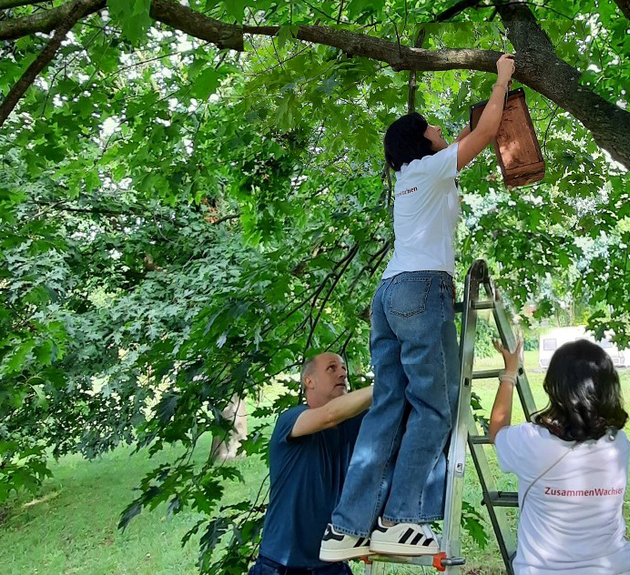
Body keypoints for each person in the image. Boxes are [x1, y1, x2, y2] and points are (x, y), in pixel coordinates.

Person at [319, 53, 517, 560]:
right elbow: (488, 129)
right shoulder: (428, 169)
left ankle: (348, 527)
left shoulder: (415, 181)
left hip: (390, 294)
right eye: (433, 126)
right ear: (420, 141)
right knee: (435, 406)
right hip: (422, 288)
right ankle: (400, 518)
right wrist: (502, 77)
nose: (442, 130)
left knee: (388, 406)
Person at [490, 337, 630, 575]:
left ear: (555, 388)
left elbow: (497, 432)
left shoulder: (532, 442)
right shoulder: (618, 444)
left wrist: (509, 373)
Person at [249, 353, 373, 575]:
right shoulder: (291, 419)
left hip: (331, 563)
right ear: (309, 381)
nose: (342, 373)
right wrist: (386, 385)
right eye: (332, 368)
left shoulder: (351, 423)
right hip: (281, 566)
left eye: (343, 368)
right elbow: (329, 415)